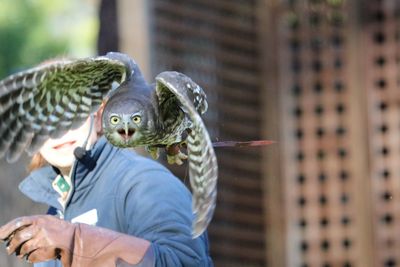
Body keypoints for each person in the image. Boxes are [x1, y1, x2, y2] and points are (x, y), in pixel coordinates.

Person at [0, 105, 213, 266]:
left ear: (99, 117)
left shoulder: (145, 181)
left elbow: (185, 262)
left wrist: (77, 242)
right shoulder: (53, 212)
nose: (58, 128)